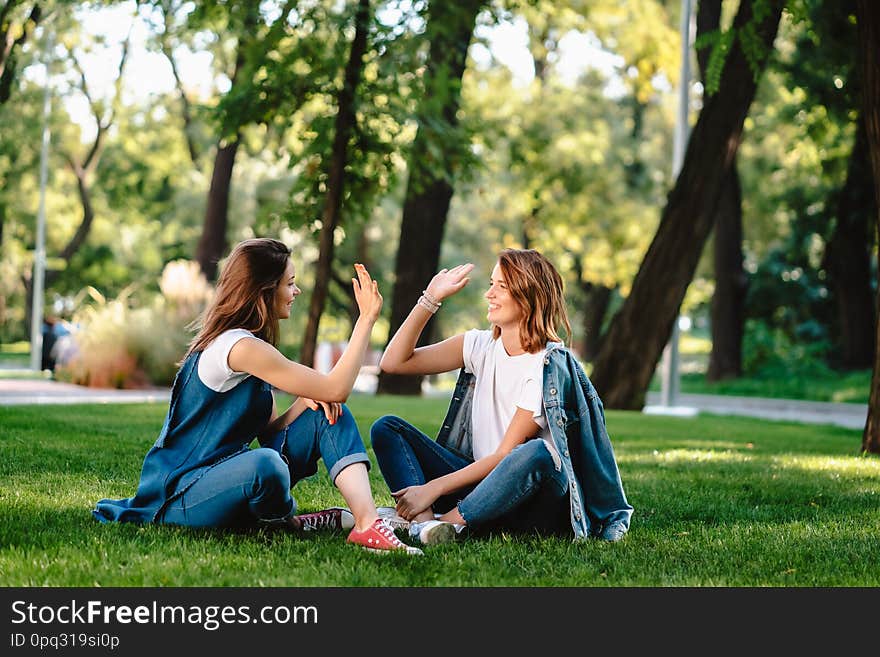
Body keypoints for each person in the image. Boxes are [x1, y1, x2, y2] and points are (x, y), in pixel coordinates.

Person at [93, 238, 422, 555]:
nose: (296, 291)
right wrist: (365, 320)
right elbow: (337, 386)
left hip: (226, 479)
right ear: (265, 290)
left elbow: (271, 433)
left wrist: (304, 405)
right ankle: (287, 522)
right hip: (181, 494)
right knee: (267, 464)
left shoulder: (253, 346)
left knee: (327, 411)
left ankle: (367, 524)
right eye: (290, 283)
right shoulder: (238, 347)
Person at [371, 248, 633, 546]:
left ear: (530, 296)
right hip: (480, 488)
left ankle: (447, 523)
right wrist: (430, 299)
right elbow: (393, 362)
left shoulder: (546, 364)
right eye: (491, 284)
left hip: (533, 500)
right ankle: (425, 526)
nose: (489, 294)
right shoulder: (480, 345)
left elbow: (505, 455)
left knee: (535, 452)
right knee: (387, 428)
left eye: (502, 286)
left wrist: (433, 487)